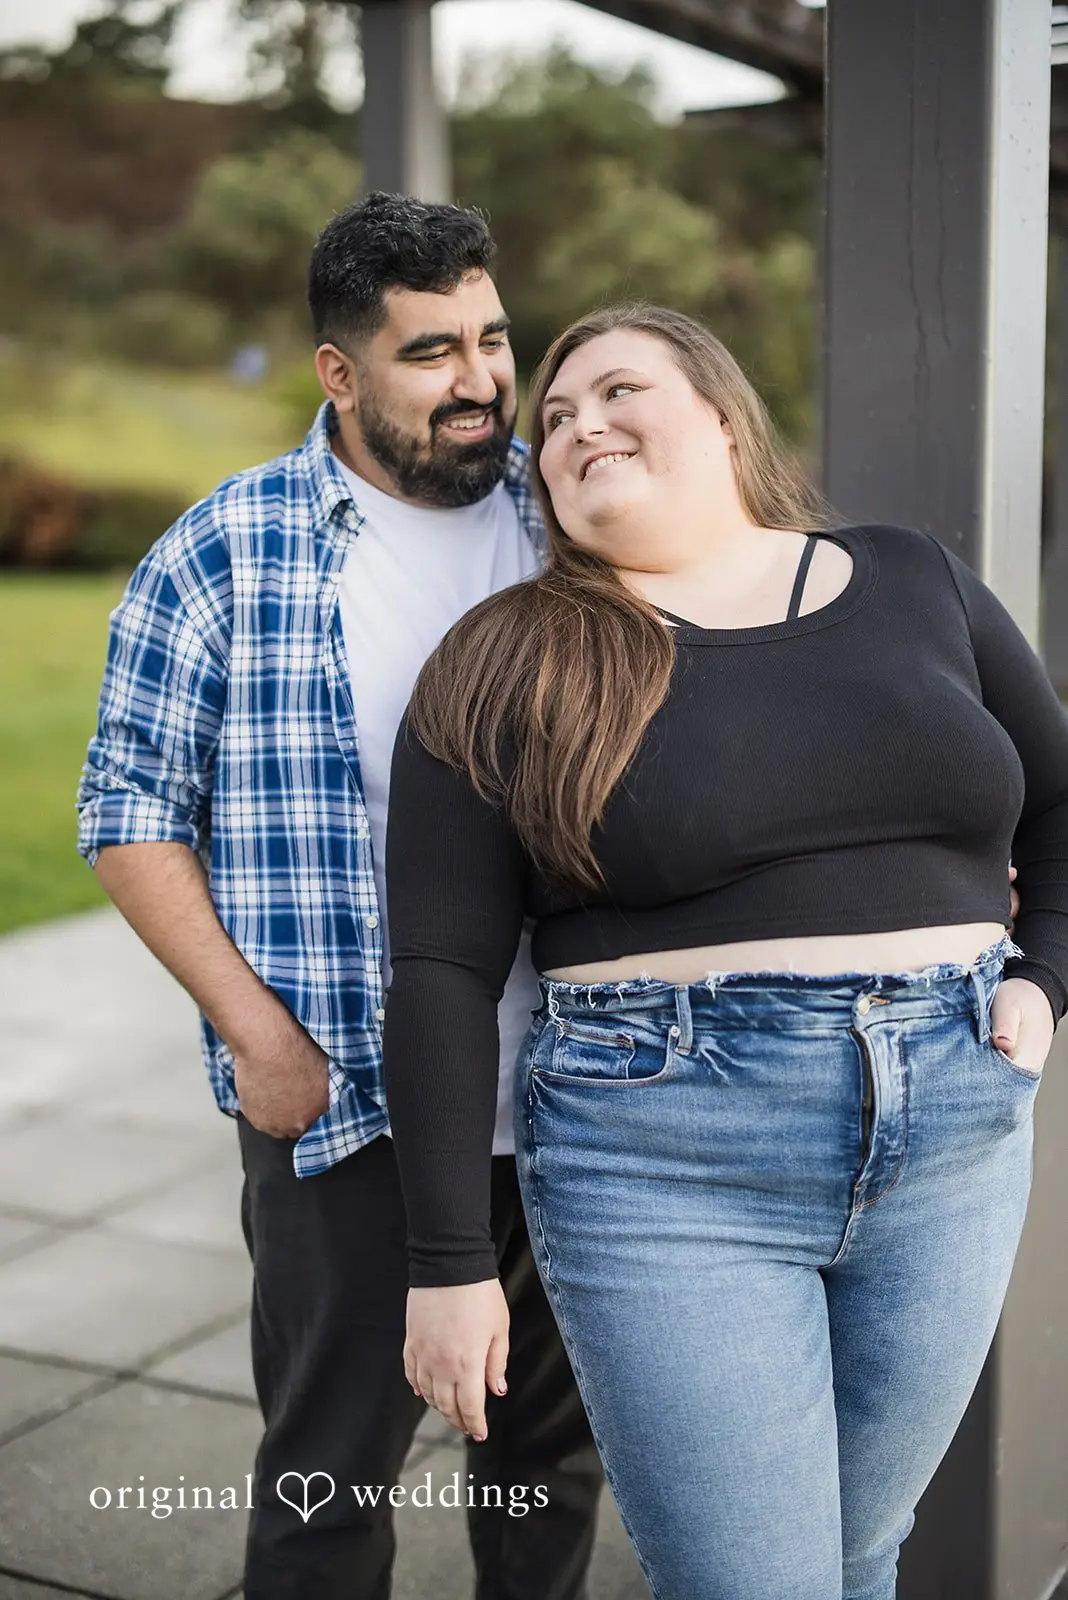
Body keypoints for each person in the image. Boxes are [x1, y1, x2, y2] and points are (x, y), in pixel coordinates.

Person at [381, 302, 1068, 1600]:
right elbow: (440, 974)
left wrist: (1049, 976)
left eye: (617, 391)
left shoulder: (914, 577)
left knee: (864, 1552)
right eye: (556, 423)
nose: (579, 427)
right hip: (668, 1163)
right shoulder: (505, 661)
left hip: (956, 1132)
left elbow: (1060, 798)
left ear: (718, 410)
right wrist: (448, 1264)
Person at [76, 193, 602, 1600]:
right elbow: (125, 807)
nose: (484, 381)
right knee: (325, 1486)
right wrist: (255, 1035)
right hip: (345, 1103)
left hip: (579, 1092)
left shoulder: (576, 531)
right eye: (433, 353)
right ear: (339, 372)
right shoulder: (222, 552)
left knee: (552, 1477)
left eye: (494, 340)